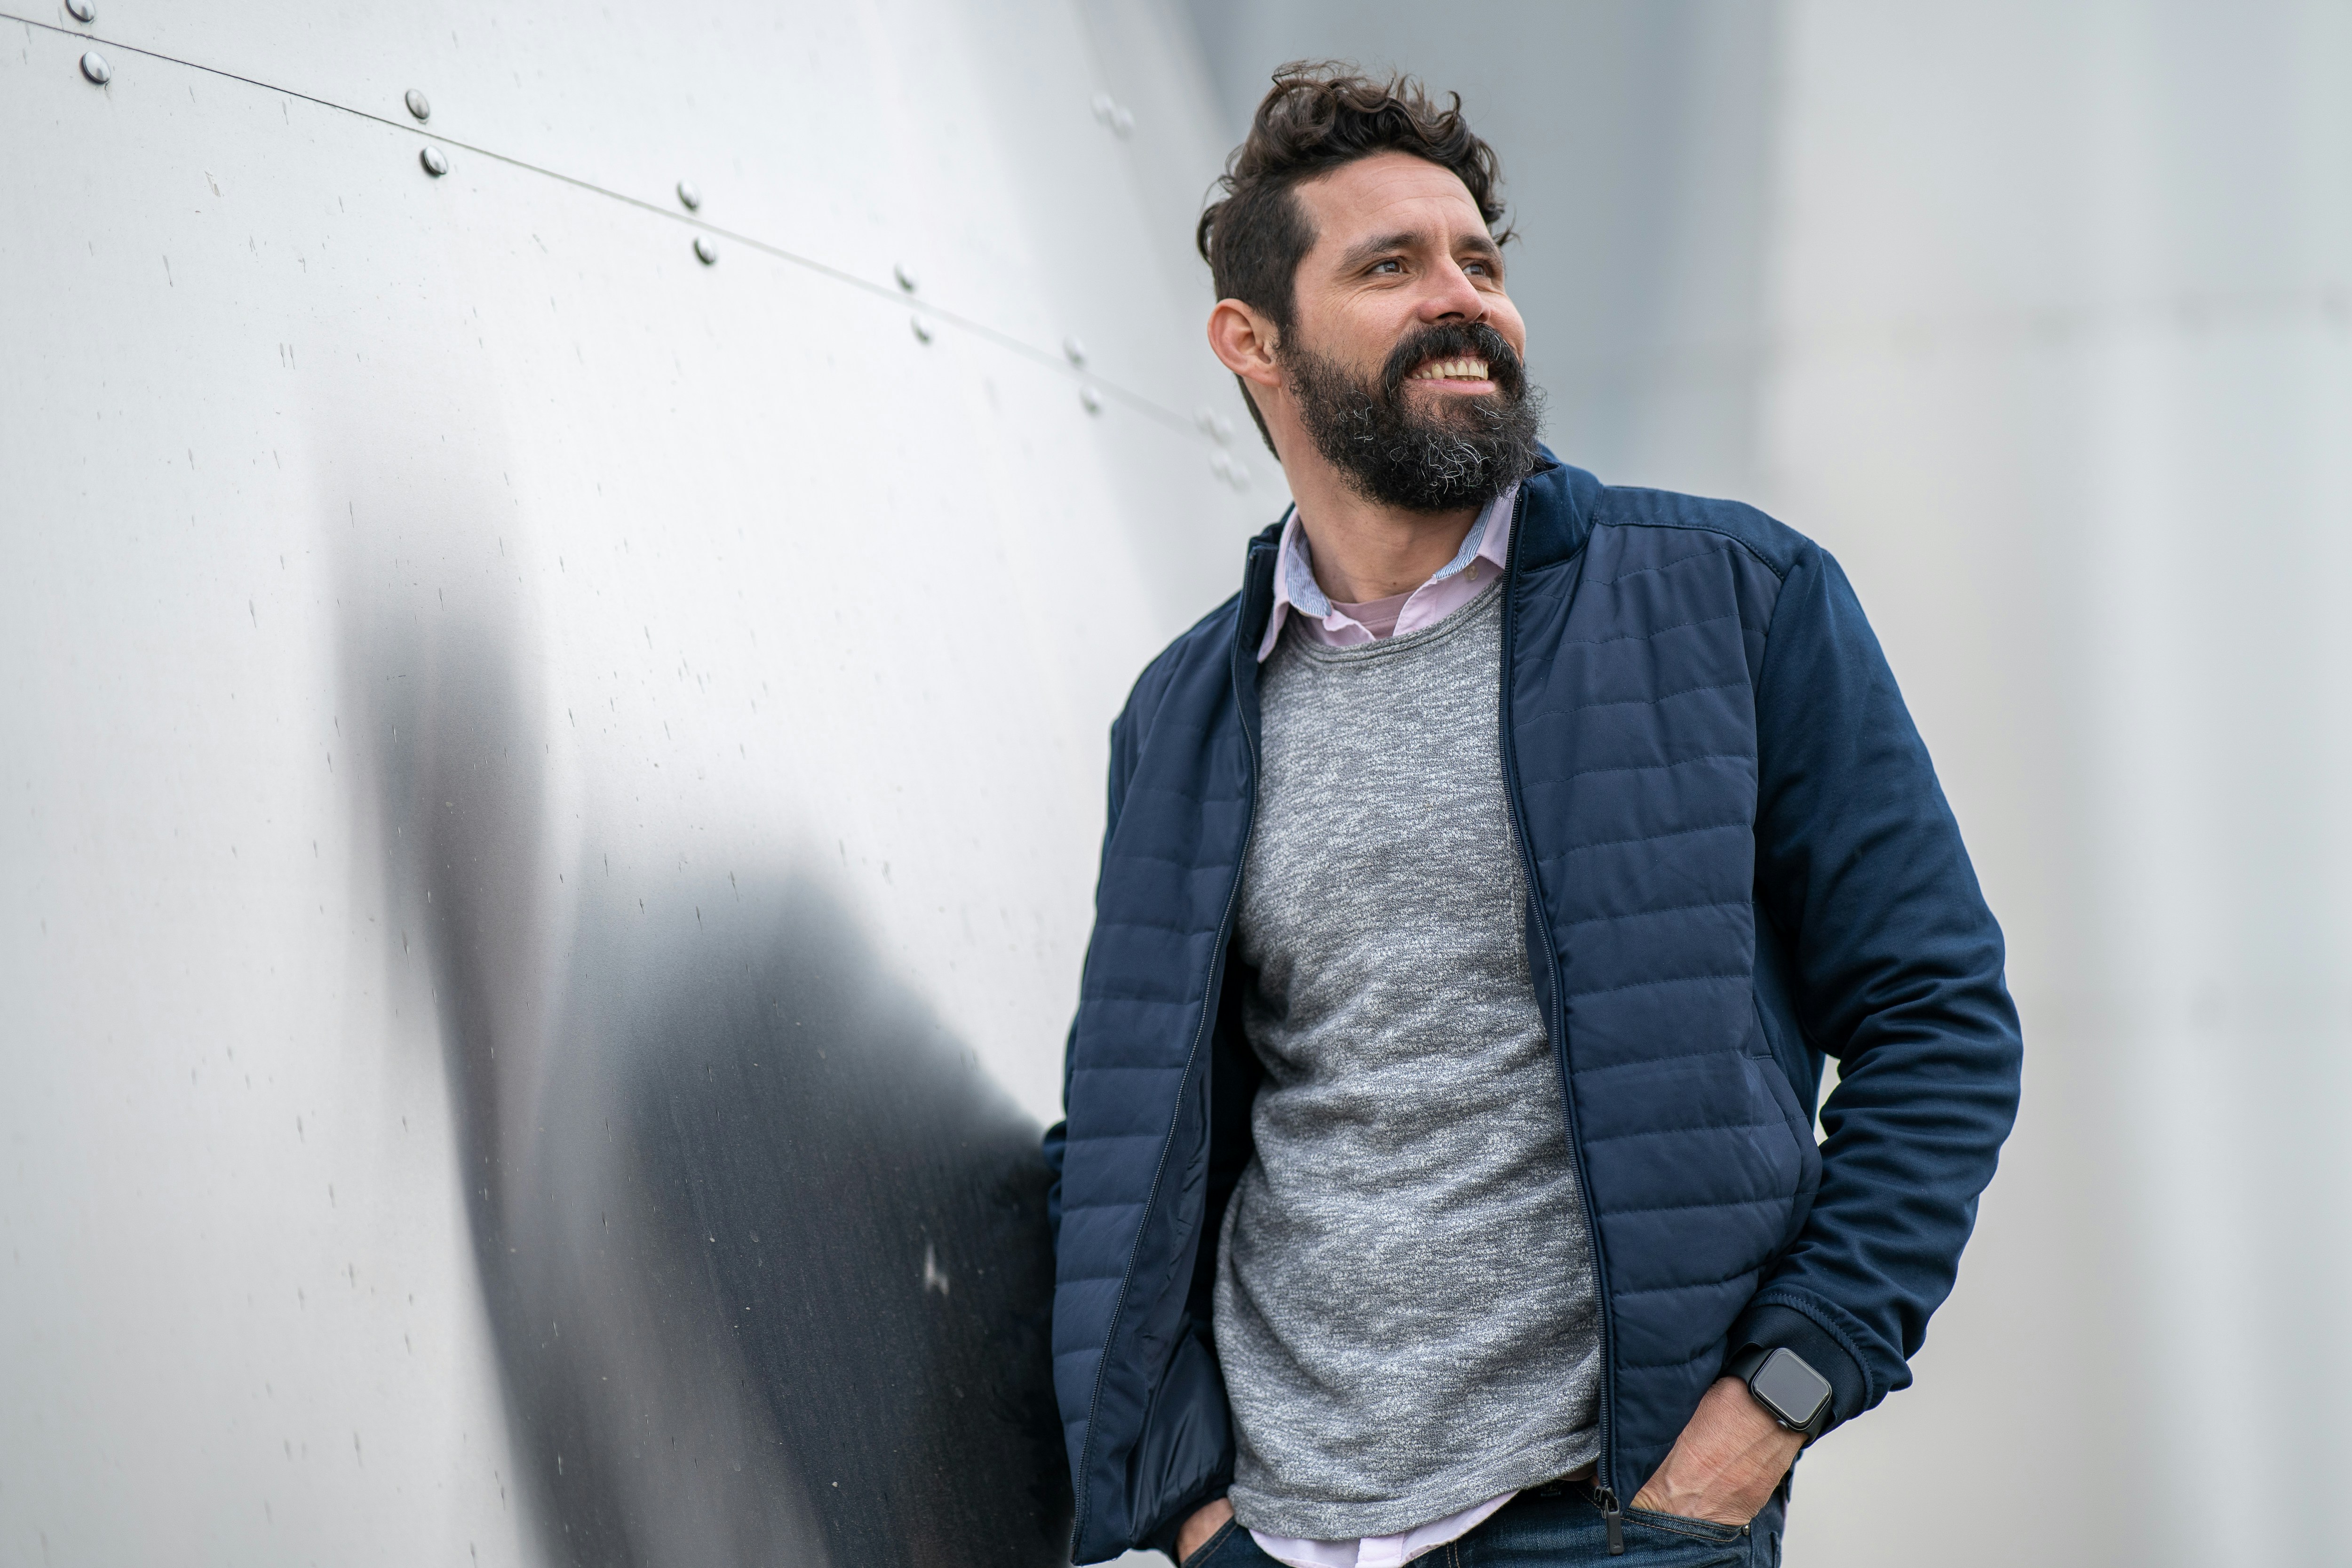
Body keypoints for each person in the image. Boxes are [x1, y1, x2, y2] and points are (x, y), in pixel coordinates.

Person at [1041, 63, 2022, 1568]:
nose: (1465, 299)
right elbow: (1139, 1134)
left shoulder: (1736, 602)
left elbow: (1938, 1015)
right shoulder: (1184, 717)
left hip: (1619, 1520)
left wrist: (1776, 1401)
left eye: (1480, 263)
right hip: (1283, 1536)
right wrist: (1190, 1506)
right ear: (1253, 341)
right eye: (1391, 265)